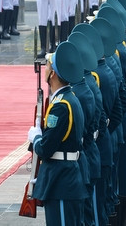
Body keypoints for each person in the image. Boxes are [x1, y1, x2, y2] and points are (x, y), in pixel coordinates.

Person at [27, 40, 87, 226]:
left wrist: (36, 137)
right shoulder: (70, 98)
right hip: (67, 178)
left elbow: (46, 148)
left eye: (47, 65)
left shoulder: (61, 106)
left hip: (61, 181)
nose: (45, 68)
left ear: (52, 74)